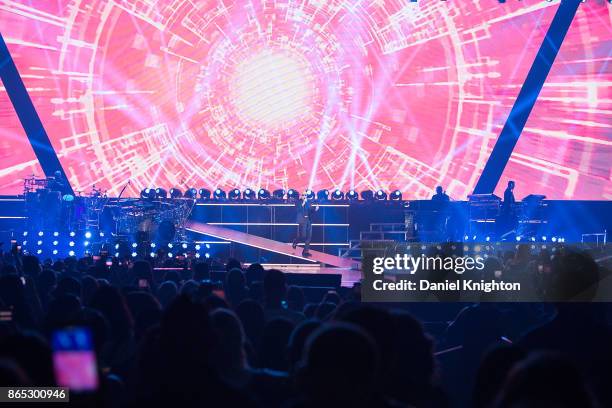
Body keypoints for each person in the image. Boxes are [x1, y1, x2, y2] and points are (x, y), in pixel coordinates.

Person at [291, 193, 319, 257]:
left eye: (305, 195)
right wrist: (303, 203)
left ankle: (305, 252)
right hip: (302, 221)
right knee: (303, 236)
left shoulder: (308, 202)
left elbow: (310, 211)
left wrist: (315, 209)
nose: (304, 196)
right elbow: (298, 210)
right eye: (303, 195)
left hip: (308, 220)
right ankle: (295, 241)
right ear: (301, 196)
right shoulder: (298, 202)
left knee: (309, 237)